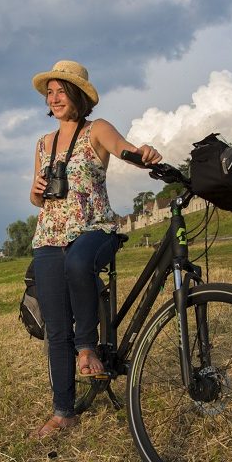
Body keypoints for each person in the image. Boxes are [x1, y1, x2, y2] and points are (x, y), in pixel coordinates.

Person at [29, 60, 161, 438]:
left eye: (61, 91)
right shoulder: (42, 144)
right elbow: (35, 199)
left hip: (94, 227)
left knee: (79, 261)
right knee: (56, 329)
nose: (54, 98)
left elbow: (124, 149)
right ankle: (63, 411)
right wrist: (37, 192)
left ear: (78, 96)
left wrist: (144, 154)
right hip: (50, 234)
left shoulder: (96, 130)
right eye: (50, 92)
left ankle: (87, 347)